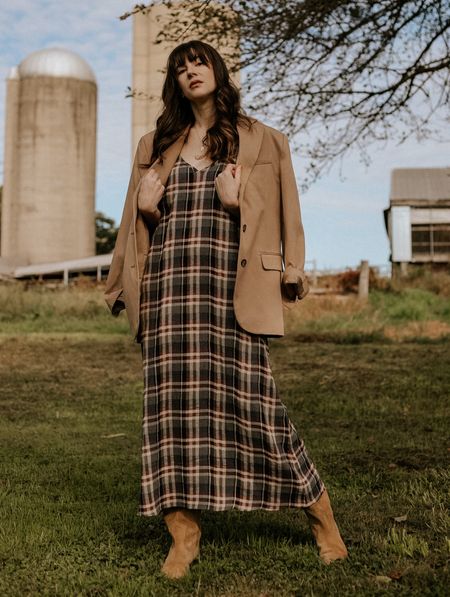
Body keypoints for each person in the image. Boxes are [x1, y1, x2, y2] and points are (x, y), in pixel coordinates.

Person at [104, 39, 348, 580]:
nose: (191, 72)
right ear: (174, 81)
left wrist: (243, 207)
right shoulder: (155, 144)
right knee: (169, 415)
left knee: (258, 408)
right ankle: (183, 536)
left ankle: (321, 517)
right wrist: (146, 210)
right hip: (170, 292)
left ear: (217, 69)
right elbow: (132, 226)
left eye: (199, 62)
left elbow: (288, 215)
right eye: (180, 67)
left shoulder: (263, 140)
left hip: (229, 293)